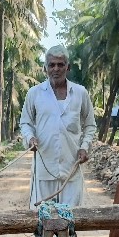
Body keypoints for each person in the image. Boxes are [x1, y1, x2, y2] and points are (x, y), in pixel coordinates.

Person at [20, 45, 96, 209]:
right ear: (45, 68)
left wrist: (84, 147)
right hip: (43, 169)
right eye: (52, 64)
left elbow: (90, 125)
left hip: (71, 169)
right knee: (43, 220)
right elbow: (25, 123)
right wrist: (30, 138)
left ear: (68, 67)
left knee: (70, 221)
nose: (56, 69)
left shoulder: (81, 93)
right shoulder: (34, 94)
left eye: (60, 64)